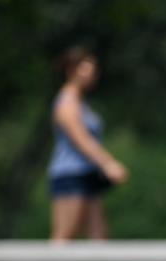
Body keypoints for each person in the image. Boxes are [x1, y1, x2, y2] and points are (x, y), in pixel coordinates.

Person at [47, 47, 128, 241]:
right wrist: (108, 164)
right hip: (70, 174)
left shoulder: (81, 102)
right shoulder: (66, 102)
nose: (92, 76)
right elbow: (80, 139)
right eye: (87, 70)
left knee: (99, 235)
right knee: (66, 234)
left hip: (88, 174)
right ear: (71, 70)